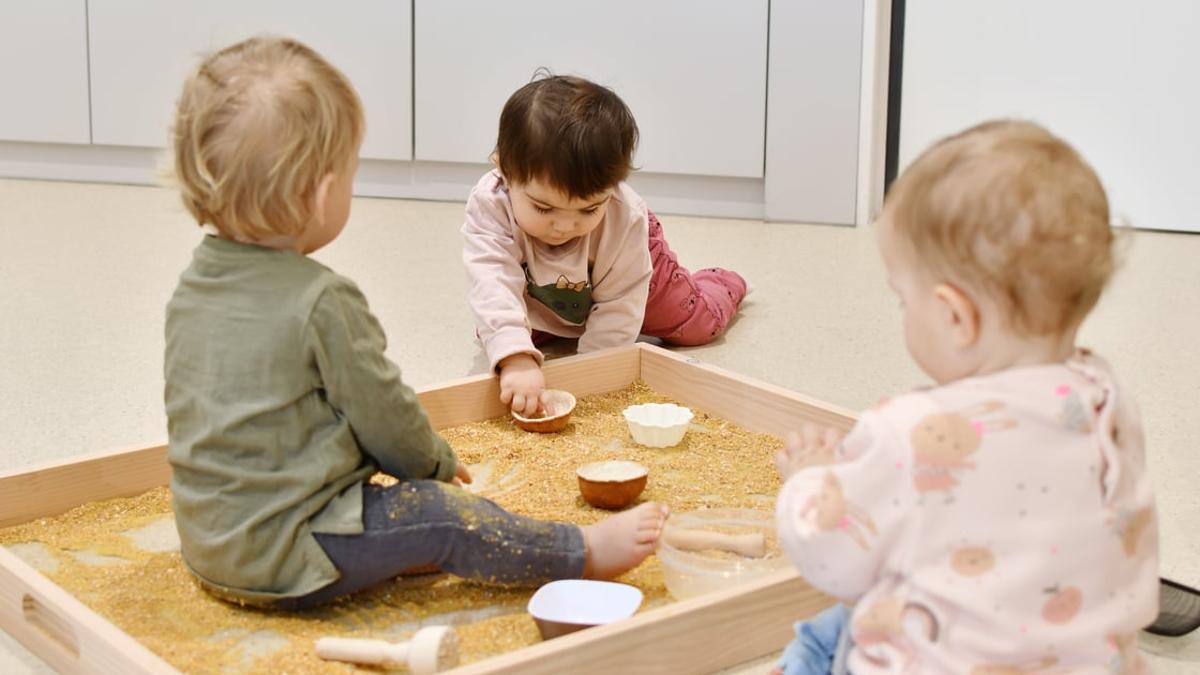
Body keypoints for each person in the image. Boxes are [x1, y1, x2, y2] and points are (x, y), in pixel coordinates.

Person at [164, 36, 667, 609]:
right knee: (440, 516)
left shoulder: (191, 286)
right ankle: (581, 553)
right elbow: (382, 413)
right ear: (325, 192)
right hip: (288, 557)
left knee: (400, 515)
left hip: (208, 538)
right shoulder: (323, 300)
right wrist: (432, 463)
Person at [772, 120, 1158, 673]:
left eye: (902, 300)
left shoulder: (913, 430)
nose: (903, 313)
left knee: (822, 636)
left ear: (955, 317)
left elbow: (833, 558)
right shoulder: (1107, 399)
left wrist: (809, 480)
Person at [462, 74, 749, 417]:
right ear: (504, 171)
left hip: (631, 265)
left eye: (588, 208)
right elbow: (492, 280)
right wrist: (516, 356)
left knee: (696, 325)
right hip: (546, 287)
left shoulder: (622, 216)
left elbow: (621, 301)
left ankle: (719, 283)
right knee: (500, 334)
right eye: (543, 207)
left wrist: (592, 371)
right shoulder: (491, 202)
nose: (565, 226)